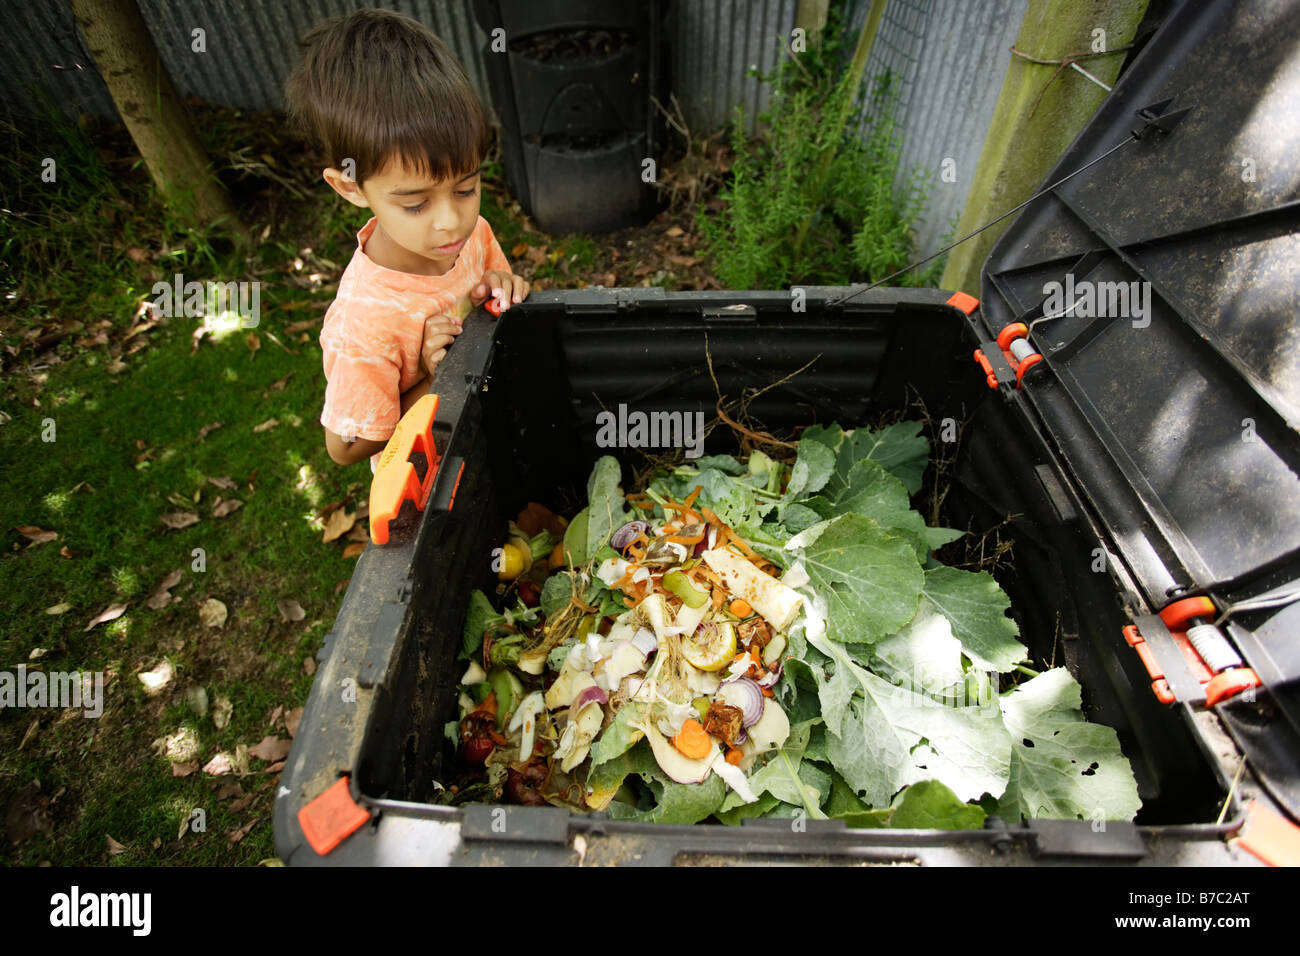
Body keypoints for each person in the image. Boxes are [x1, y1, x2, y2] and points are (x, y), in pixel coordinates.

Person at [285, 8, 530, 470]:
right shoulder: (365, 322)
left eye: (466, 189)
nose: (451, 222)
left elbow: (495, 282)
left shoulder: (470, 234)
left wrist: (503, 283)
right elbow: (345, 448)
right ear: (351, 187)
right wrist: (436, 375)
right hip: (431, 476)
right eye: (416, 204)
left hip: (491, 432)